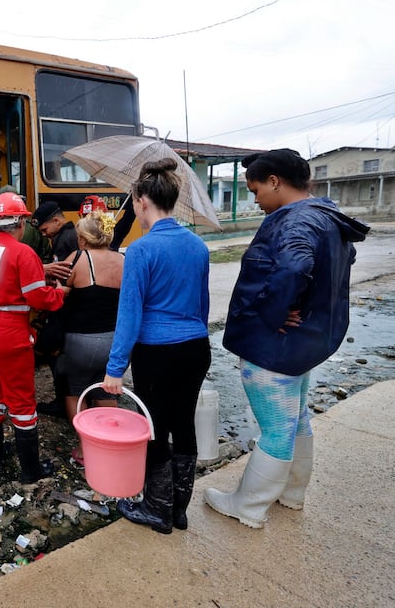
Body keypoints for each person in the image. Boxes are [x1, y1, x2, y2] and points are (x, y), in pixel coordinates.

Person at [204, 149, 369, 529]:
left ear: (275, 181)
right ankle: (292, 493)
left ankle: (248, 506)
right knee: (296, 420)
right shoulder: (326, 217)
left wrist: (274, 313)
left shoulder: (296, 222)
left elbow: (295, 266)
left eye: (256, 189)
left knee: (276, 428)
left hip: (274, 348)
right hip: (305, 344)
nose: (256, 198)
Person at [102, 158, 211, 534]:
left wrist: (115, 369)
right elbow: (203, 305)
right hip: (196, 349)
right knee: (184, 424)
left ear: (142, 201)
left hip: (157, 353)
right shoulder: (198, 247)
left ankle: (156, 509)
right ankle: (178, 510)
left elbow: (129, 316)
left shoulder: (140, 251)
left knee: (155, 427)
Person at [0, 191, 69, 484]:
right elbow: (37, 296)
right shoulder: (24, 253)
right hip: (6, 335)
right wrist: (59, 294)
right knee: (21, 403)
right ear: (21, 223)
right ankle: (30, 470)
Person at [59, 211, 124, 465]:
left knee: (73, 390)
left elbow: (58, 296)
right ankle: (110, 447)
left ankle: (87, 450)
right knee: (107, 391)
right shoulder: (123, 260)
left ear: (84, 239)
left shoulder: (77, 259)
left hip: (80, 342)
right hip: (114, 342)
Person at [29, 201, 77, 417]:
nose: (45, 235)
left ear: (57, 221)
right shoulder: (72, 235)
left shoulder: (63, 242)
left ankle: (63, 402)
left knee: (55, 353)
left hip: (65, 307)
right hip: (72, 307)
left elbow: (64, 276)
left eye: (45, 230)